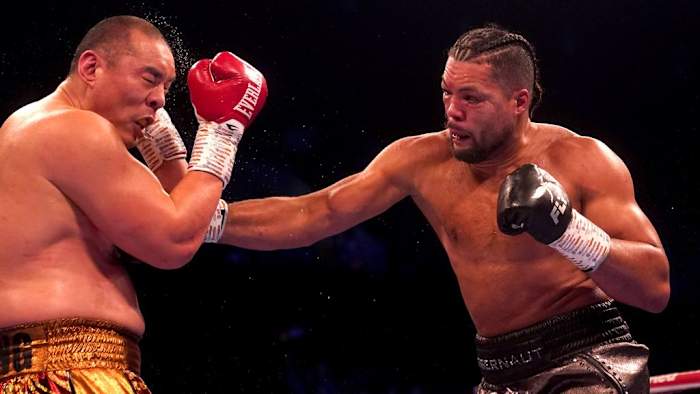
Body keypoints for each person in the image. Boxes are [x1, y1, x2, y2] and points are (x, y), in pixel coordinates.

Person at [217, 25, 669, 392]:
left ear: (519, 102)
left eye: (471, 98)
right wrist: (207, 222)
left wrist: (567, 231)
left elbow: (654, 287)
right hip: (497, 374)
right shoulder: (420, 160)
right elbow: (315, 213)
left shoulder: (583, 159)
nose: (452, 111)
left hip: (585, 359)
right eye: (447, 93)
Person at [0, 16, 267, 393]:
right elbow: (173, 239)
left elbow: (185, 209)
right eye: (149, 78)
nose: (160, 98)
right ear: (91, 67)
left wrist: (162, 143)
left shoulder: (27, 129)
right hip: (70, 374)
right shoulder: (74, 129)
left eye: (166, 86)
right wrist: (222, 131)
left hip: (30, 370)